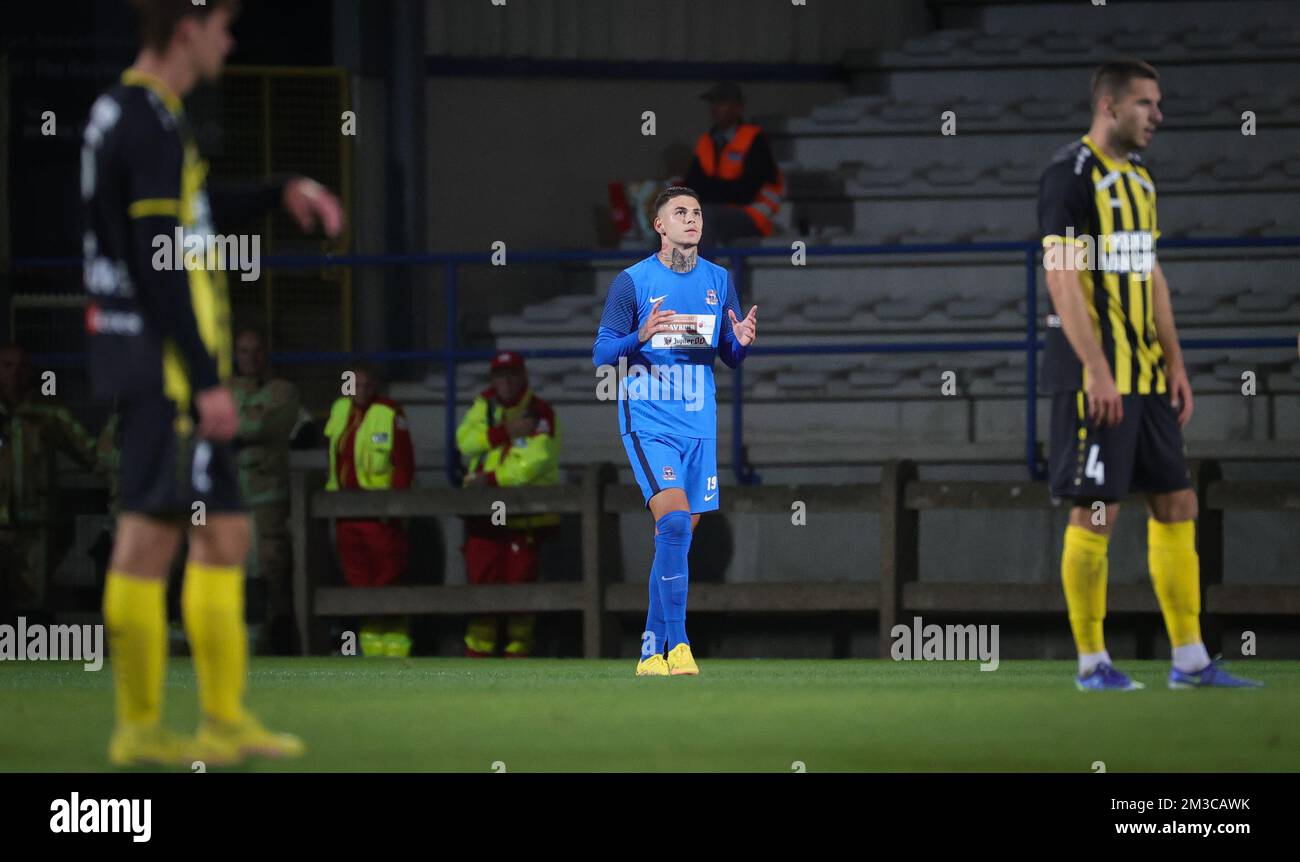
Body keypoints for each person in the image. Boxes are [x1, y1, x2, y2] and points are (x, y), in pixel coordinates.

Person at [82, 0, 345, 767]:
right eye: (225, 27)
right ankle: (137, 729)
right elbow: (161, 257)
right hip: (164, 370)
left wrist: (275, 191)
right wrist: (204, 381)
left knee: (224, 533)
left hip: (156, 362)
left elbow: (186, 219)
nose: (231, 43)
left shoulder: (138, 117)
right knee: (147, 538)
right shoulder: (148, 121)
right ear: (187, 29)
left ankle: (223, 720)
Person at [1038, 58, 1259, 691]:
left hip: (1147, 376)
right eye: (1145, 104)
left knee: (1177, 500)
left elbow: (1150, 272)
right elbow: (1061, 278)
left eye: (1158, 103)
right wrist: (1097, 370)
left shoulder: (1140, 178)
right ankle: (1091, 664)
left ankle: (1190, 660)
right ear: (1109, 106)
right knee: (1098, 511)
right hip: (1096, 378)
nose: (1157, 116)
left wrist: (1176, 362)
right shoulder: (1070, 177)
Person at [591, 186, 757, 676]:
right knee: (677, 523)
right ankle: (680, 644)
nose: (692, 219)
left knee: (675, 536)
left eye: (697, 212)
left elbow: (727, 353)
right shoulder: (633, 282)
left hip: (699, 425)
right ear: (659, 225)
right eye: (680, 212)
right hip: (649, 419)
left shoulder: (719, 280)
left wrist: (742, 343)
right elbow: (602, 354)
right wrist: (638, 336)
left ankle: (649, 652)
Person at [455, 351, 560, 658]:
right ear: (493, 379)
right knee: (482, 584)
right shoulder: (483, 405)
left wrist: (490, 478)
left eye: (512, 374)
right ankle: (477, 657)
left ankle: (518, 657)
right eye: (501, 375)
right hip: (483, 516)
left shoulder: (541, 412)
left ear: (524, 377)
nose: (506, 381)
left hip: (523, 516)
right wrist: (505, 432)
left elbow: (533, 463)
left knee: (520, 588)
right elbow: (465, 443)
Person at [0, 345, 107, 618]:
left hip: (35, 524)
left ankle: (32, 654)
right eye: (7, 366)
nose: (15, 374)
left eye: (22, 367)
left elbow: (92, 455)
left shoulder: (46, 413)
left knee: (32, 605)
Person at [322, 363, 414, 657]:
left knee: (387, 577)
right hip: (347, 513)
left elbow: (404, 466)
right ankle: (371, 648)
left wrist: (394, 509)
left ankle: (397, 646)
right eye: (354, 385)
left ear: (375, 387)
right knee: (359, 581)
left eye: (366, 385)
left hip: (379, 514)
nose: (360, 391)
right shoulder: (339, 411)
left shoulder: (389, 413)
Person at [231, 324, 300, 654]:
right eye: (244, 351)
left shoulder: (282, 391)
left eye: (256, 350)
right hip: (229, 500)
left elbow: (261, 425)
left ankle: (278, 648)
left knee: (271, 571)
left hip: (267, 501)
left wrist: (234, 426)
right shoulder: (223, 389)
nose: (251, 358)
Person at [682, 82, 785, 250]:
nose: (715, 108)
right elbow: (692, 187)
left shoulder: (754, 139)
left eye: (721, 102)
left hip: (754, 215)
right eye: (713, 103)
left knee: (704, 216)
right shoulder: (706, 142)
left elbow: (746, 191)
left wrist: (710, 189)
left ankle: (702, 276)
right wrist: (719, 190)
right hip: (719, 212)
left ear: (738, 108)